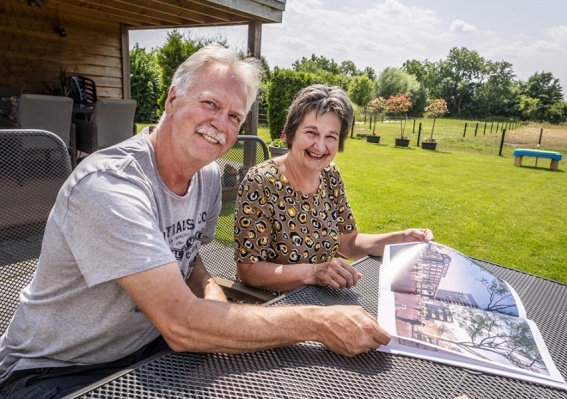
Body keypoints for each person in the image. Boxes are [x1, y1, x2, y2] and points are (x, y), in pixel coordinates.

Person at [0, 46, 390, 399]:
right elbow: (181, 324)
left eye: (234, 115)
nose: (220, 123)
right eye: (209, 103)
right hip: (52, 372)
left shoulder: (206, 176)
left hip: (147, 352)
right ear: (172, 99)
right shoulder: (109, 185)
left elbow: (189, 257)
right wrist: (320, 323)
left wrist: (210, 293)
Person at [234, 84, 434, 292]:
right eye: (311, 133)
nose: (320, 146)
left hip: (321, 299)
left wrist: (401, 239)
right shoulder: (261, 181)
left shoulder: (330, 175)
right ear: (291, 133)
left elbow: (349, 243)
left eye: (331, 137)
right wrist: (313, 273)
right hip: (269, 304)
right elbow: (249, 270)